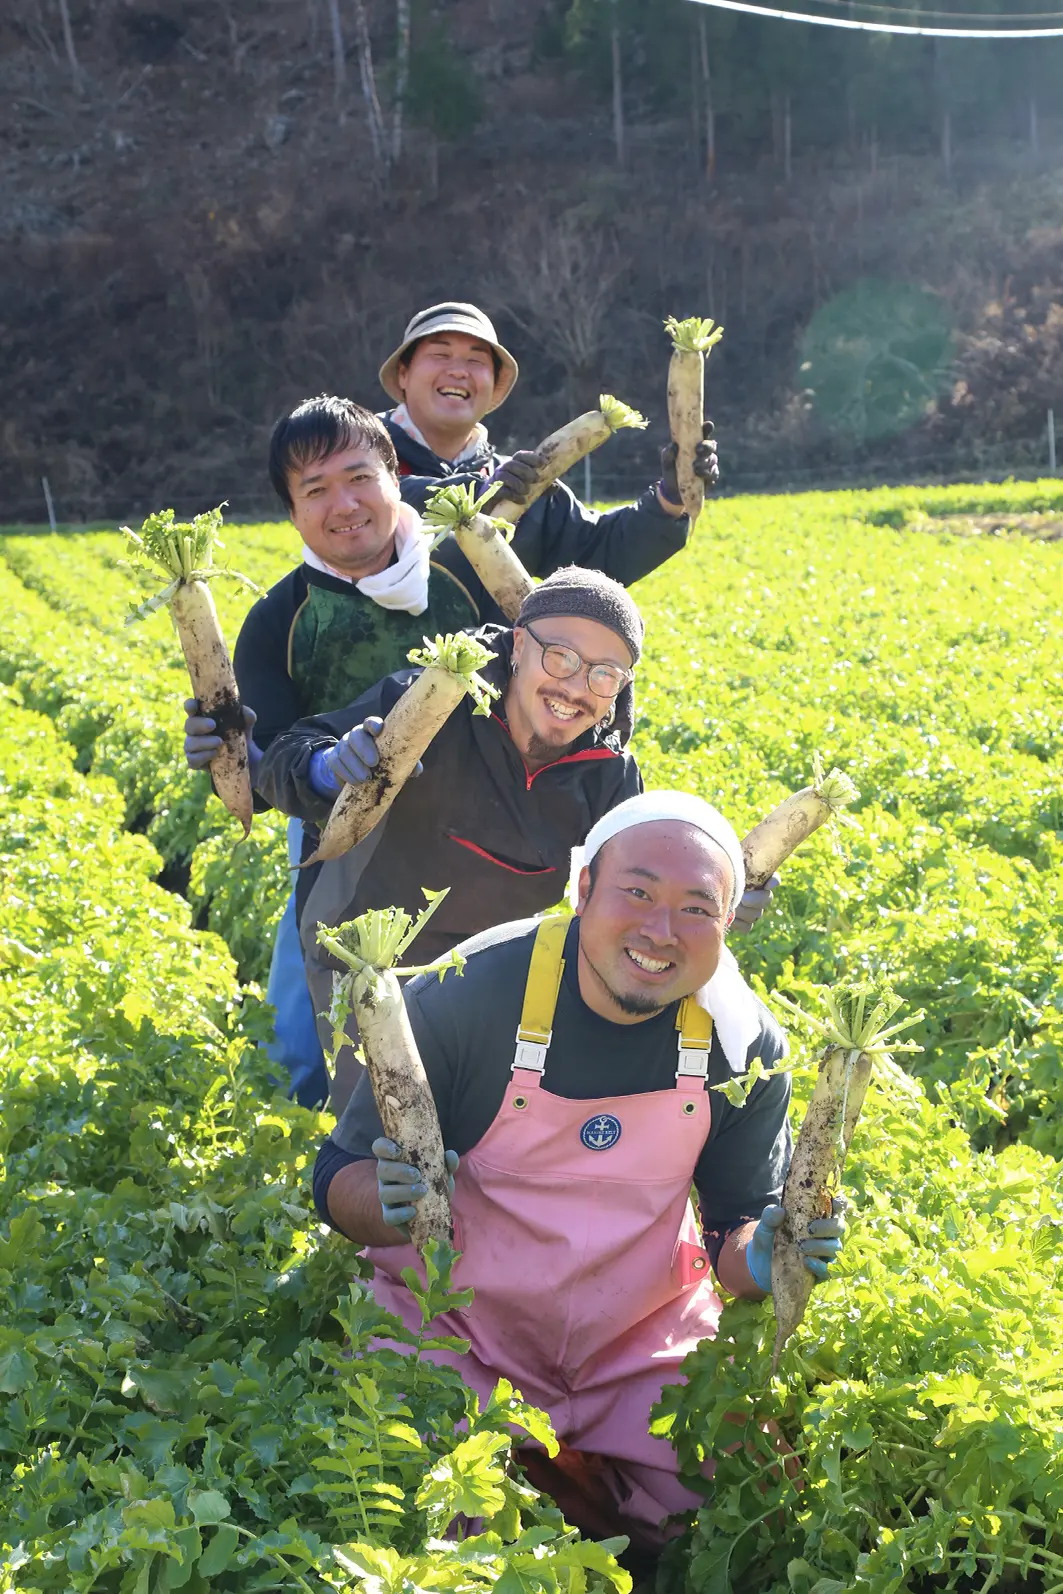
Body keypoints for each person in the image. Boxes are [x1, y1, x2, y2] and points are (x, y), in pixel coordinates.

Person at [312, 791, 845, 1548]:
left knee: (747, 1510)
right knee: (425, 1514)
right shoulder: (465, 995)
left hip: (635, 1343)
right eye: (636, 892)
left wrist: (769, 1251)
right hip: (455, 1330)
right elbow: (334, 1174)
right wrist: (384, 1201)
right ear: (582, 887)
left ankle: (590, 1495)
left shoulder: (741, 1046)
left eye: (697, 909)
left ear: (728, 926)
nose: (660, 932)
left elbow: (733, 1234)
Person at [184, 392, 725, 1105]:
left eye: (358, 480)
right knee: (330, 1031)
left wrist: (669, 499)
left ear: (394, 478)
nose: (343, 504)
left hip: (497, 814)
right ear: (291, 512)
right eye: (315, 490)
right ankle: (309, 1118)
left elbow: (595, 580)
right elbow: (272, 766)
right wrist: (257, 757)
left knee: (482, 1073)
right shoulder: (280, 620)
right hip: (350, 834)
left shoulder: (468, 553)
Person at [376, 301, 720, 590]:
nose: (458, 372)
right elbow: (362, 502)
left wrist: (669, 499)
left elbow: (600, 552)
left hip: (488, 670)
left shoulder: (521, 482)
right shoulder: (356, 450)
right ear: (404, 374)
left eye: (475, 361)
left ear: (494, 386)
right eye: (440, 355)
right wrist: (476, 495)